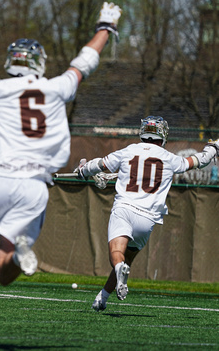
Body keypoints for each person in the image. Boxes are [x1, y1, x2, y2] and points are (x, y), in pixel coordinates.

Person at [0, 0, 122, 347]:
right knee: (4, 270)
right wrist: (105, 26)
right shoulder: (57, 87)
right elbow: (85, 62)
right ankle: (18, 255)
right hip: (33, 185)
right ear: (39, 64)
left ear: (10, 63)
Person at [75, 116, 217, 311]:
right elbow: (199, 161)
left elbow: (101, 164)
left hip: (124, 209)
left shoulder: (129, 150)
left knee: (116, 254)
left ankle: (118, 270)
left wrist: (84, 170)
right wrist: (213, 148)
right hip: (147, 218)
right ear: (162, 135)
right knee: (127, 259)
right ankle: (102, 298)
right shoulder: (169, 158)